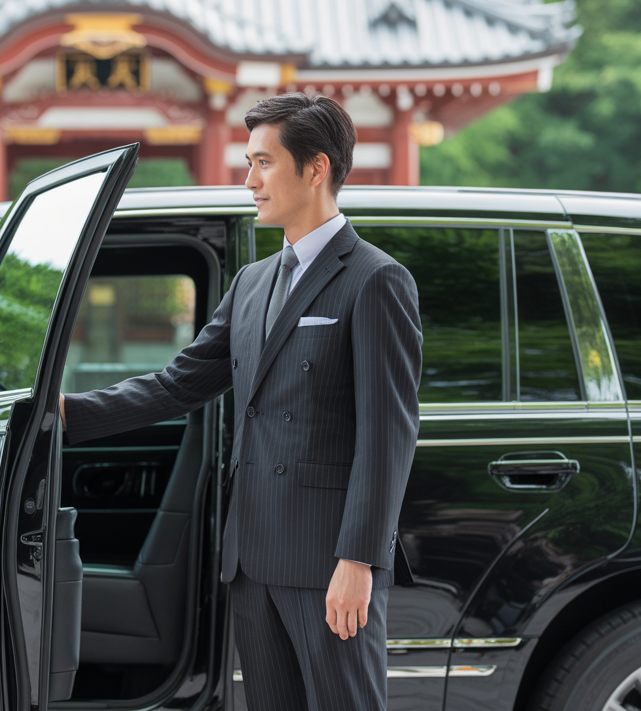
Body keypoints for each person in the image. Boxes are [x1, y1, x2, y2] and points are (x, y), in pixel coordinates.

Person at [60, 92, 423, 710]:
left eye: (263, 162)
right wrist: (66, 414)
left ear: (316, 168)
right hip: (252, 559)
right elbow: (180, 382)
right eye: (247, 163)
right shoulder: (253, 281)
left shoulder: (375, 278)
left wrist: (358, 561)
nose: (248, 180)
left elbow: (388, 435)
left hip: (326, 562)